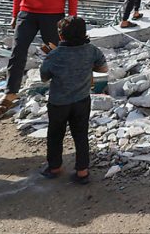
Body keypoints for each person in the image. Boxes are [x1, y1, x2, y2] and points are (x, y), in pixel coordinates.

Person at [39, 16, 107, 184]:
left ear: (61, 35)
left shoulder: (54, 55)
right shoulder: (91, 50)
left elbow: (44, 77)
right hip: (82, 100)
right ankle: (82, 171)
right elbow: (103, 68)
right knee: (81, 135)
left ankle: (54, 167)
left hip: (58, 103)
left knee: (55, 135)